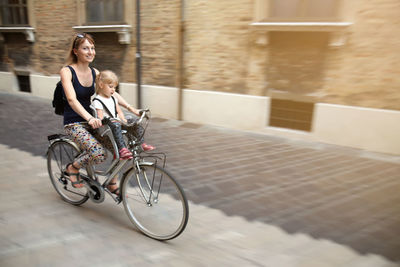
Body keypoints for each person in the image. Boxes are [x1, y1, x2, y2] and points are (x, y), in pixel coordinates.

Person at [60, 33, 149, 194]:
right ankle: (72, 168)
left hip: (97, 121)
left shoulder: (95, 72)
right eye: (85, 48)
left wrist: (132, 109)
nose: (90, 52)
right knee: (98, 154)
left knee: (121, 151)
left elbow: (111, 92)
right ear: (75, 51)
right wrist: (89, 118)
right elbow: (72, 100)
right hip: (75, 123)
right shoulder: (67, 71)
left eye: (92, 48)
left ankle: (112, 183)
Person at [93, 70, 149, 160]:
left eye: (115, 87)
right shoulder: (98, 100)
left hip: (117, 123)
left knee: (133, 121)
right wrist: (103, 119)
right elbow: (100, 116)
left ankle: (141, 143)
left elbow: (119, 111)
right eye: (111, 87)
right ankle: (122, 149)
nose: (113, 90)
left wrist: (123, 120)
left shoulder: (113, 99)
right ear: (101, 85)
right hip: (108, 126)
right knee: (115, 124)